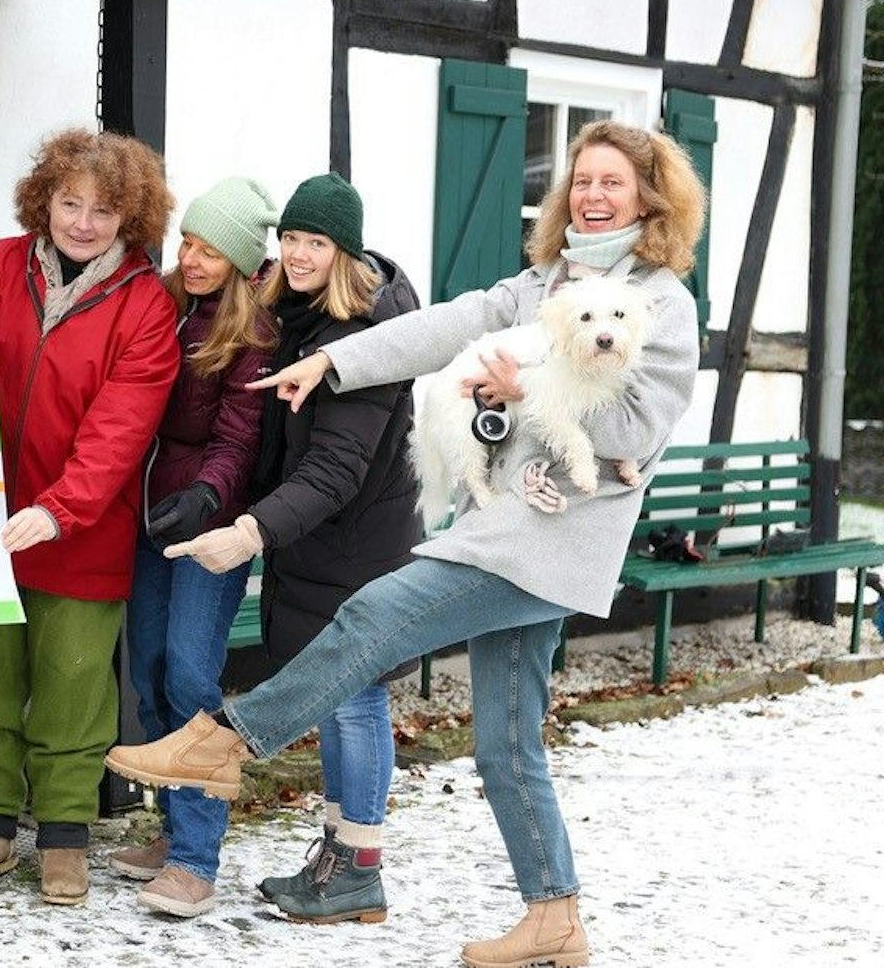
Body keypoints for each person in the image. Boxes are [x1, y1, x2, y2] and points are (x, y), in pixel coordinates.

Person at [107, 121, 705, 968]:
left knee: (373, 613)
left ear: (650, 197)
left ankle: (227, 740)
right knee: (505, 742)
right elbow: (447, 324)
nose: (594, 195)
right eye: (583, 180)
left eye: (613, 182)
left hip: (548, 539)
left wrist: (521, 382)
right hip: (508, 527)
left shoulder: (661, 302)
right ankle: (554, 915)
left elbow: (641, 425)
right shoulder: (549, 280)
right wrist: (336, 364)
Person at [0, 128, 178, 907]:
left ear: (129, 218)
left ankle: (66, 836)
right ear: (44, 201)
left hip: (81, 531)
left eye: (103, 210)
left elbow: (122, 424)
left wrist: (59, 508)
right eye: (69, 202)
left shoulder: (145, 304)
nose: (81, 222)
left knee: (74, 683)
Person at [180, 173, 425, 923]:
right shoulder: (302, 314)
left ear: (343, 249)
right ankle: (335, 854)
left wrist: (253, 529)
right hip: (318, 551)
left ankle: (359, 866)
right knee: (337, 699)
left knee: (356, 700)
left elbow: (336, 467)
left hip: (359, 552)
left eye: (315, 241)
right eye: (289, 238)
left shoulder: (365, 337)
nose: (298, 253)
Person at [106, 178, 278, 918]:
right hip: (150, 518)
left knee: (189, 670)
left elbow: (239, 436)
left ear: (241, 259)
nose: (196, 259)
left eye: (212, 250)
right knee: (146, 666)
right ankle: (173, 826)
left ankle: (195, 858)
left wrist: (209, 496)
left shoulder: (252, 331)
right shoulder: (165, 302)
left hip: (209, 528)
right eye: (190, 244)